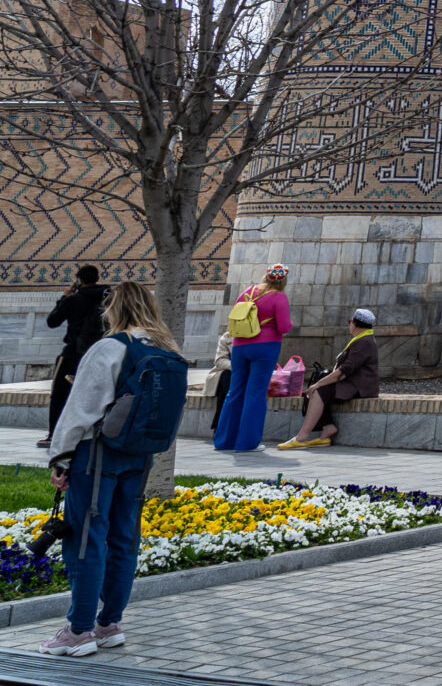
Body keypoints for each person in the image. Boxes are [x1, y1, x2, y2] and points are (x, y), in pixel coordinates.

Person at [41, 281, 185, 657]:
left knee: (86, 539)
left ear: (114, 310)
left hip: (98, 455)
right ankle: (110, 624)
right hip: (140, 456)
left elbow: (81, 409)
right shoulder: (166, 350)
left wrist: (61, 457)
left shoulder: (109, 348)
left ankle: (79, 630)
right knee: (124, 539)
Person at [211, 264, 293, 452]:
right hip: (265, 347)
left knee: (235, 391)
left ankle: (224, 441)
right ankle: (247, 442)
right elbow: (284, 326)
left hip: (240, 345)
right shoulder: (279, 297)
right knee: (255, 393)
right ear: (283, 281)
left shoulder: (248, 292)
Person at [280, 309, 380, 449]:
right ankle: (327, 429)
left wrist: (318, 383)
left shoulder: (364, 342)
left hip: (359, 387)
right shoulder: (364, 339)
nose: (349, 324)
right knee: (320, 390)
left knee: (319, 391)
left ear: (356, 324)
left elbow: (345, 370)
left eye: (350, 322)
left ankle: (302, 437)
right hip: (353, 383)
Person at [39, 265, 107, 449]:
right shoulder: (107, 298)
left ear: (79, 280)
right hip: (99, 353)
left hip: (72, 354)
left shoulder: (75, 299)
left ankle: (54, 435)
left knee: (60, 395)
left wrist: (64, 297)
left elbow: (52, 321)